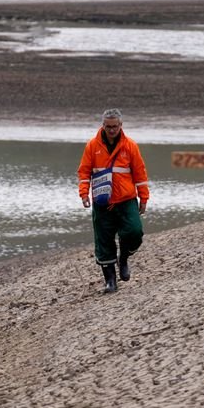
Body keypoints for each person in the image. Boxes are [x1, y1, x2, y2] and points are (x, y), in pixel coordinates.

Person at [78, 108, 150, 294]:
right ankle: (110, 281)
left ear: (121, 125)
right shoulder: (92, 146)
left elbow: (140, 174)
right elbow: (84, 172)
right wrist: (84, 194)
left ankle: (124, 258)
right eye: (108, 127)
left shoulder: (130, 146)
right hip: (102, 202)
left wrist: (144, 197)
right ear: (103, 125)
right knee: (104, 241)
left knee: (135, 232)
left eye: (115, 127)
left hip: (126, 200)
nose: (111, 130)